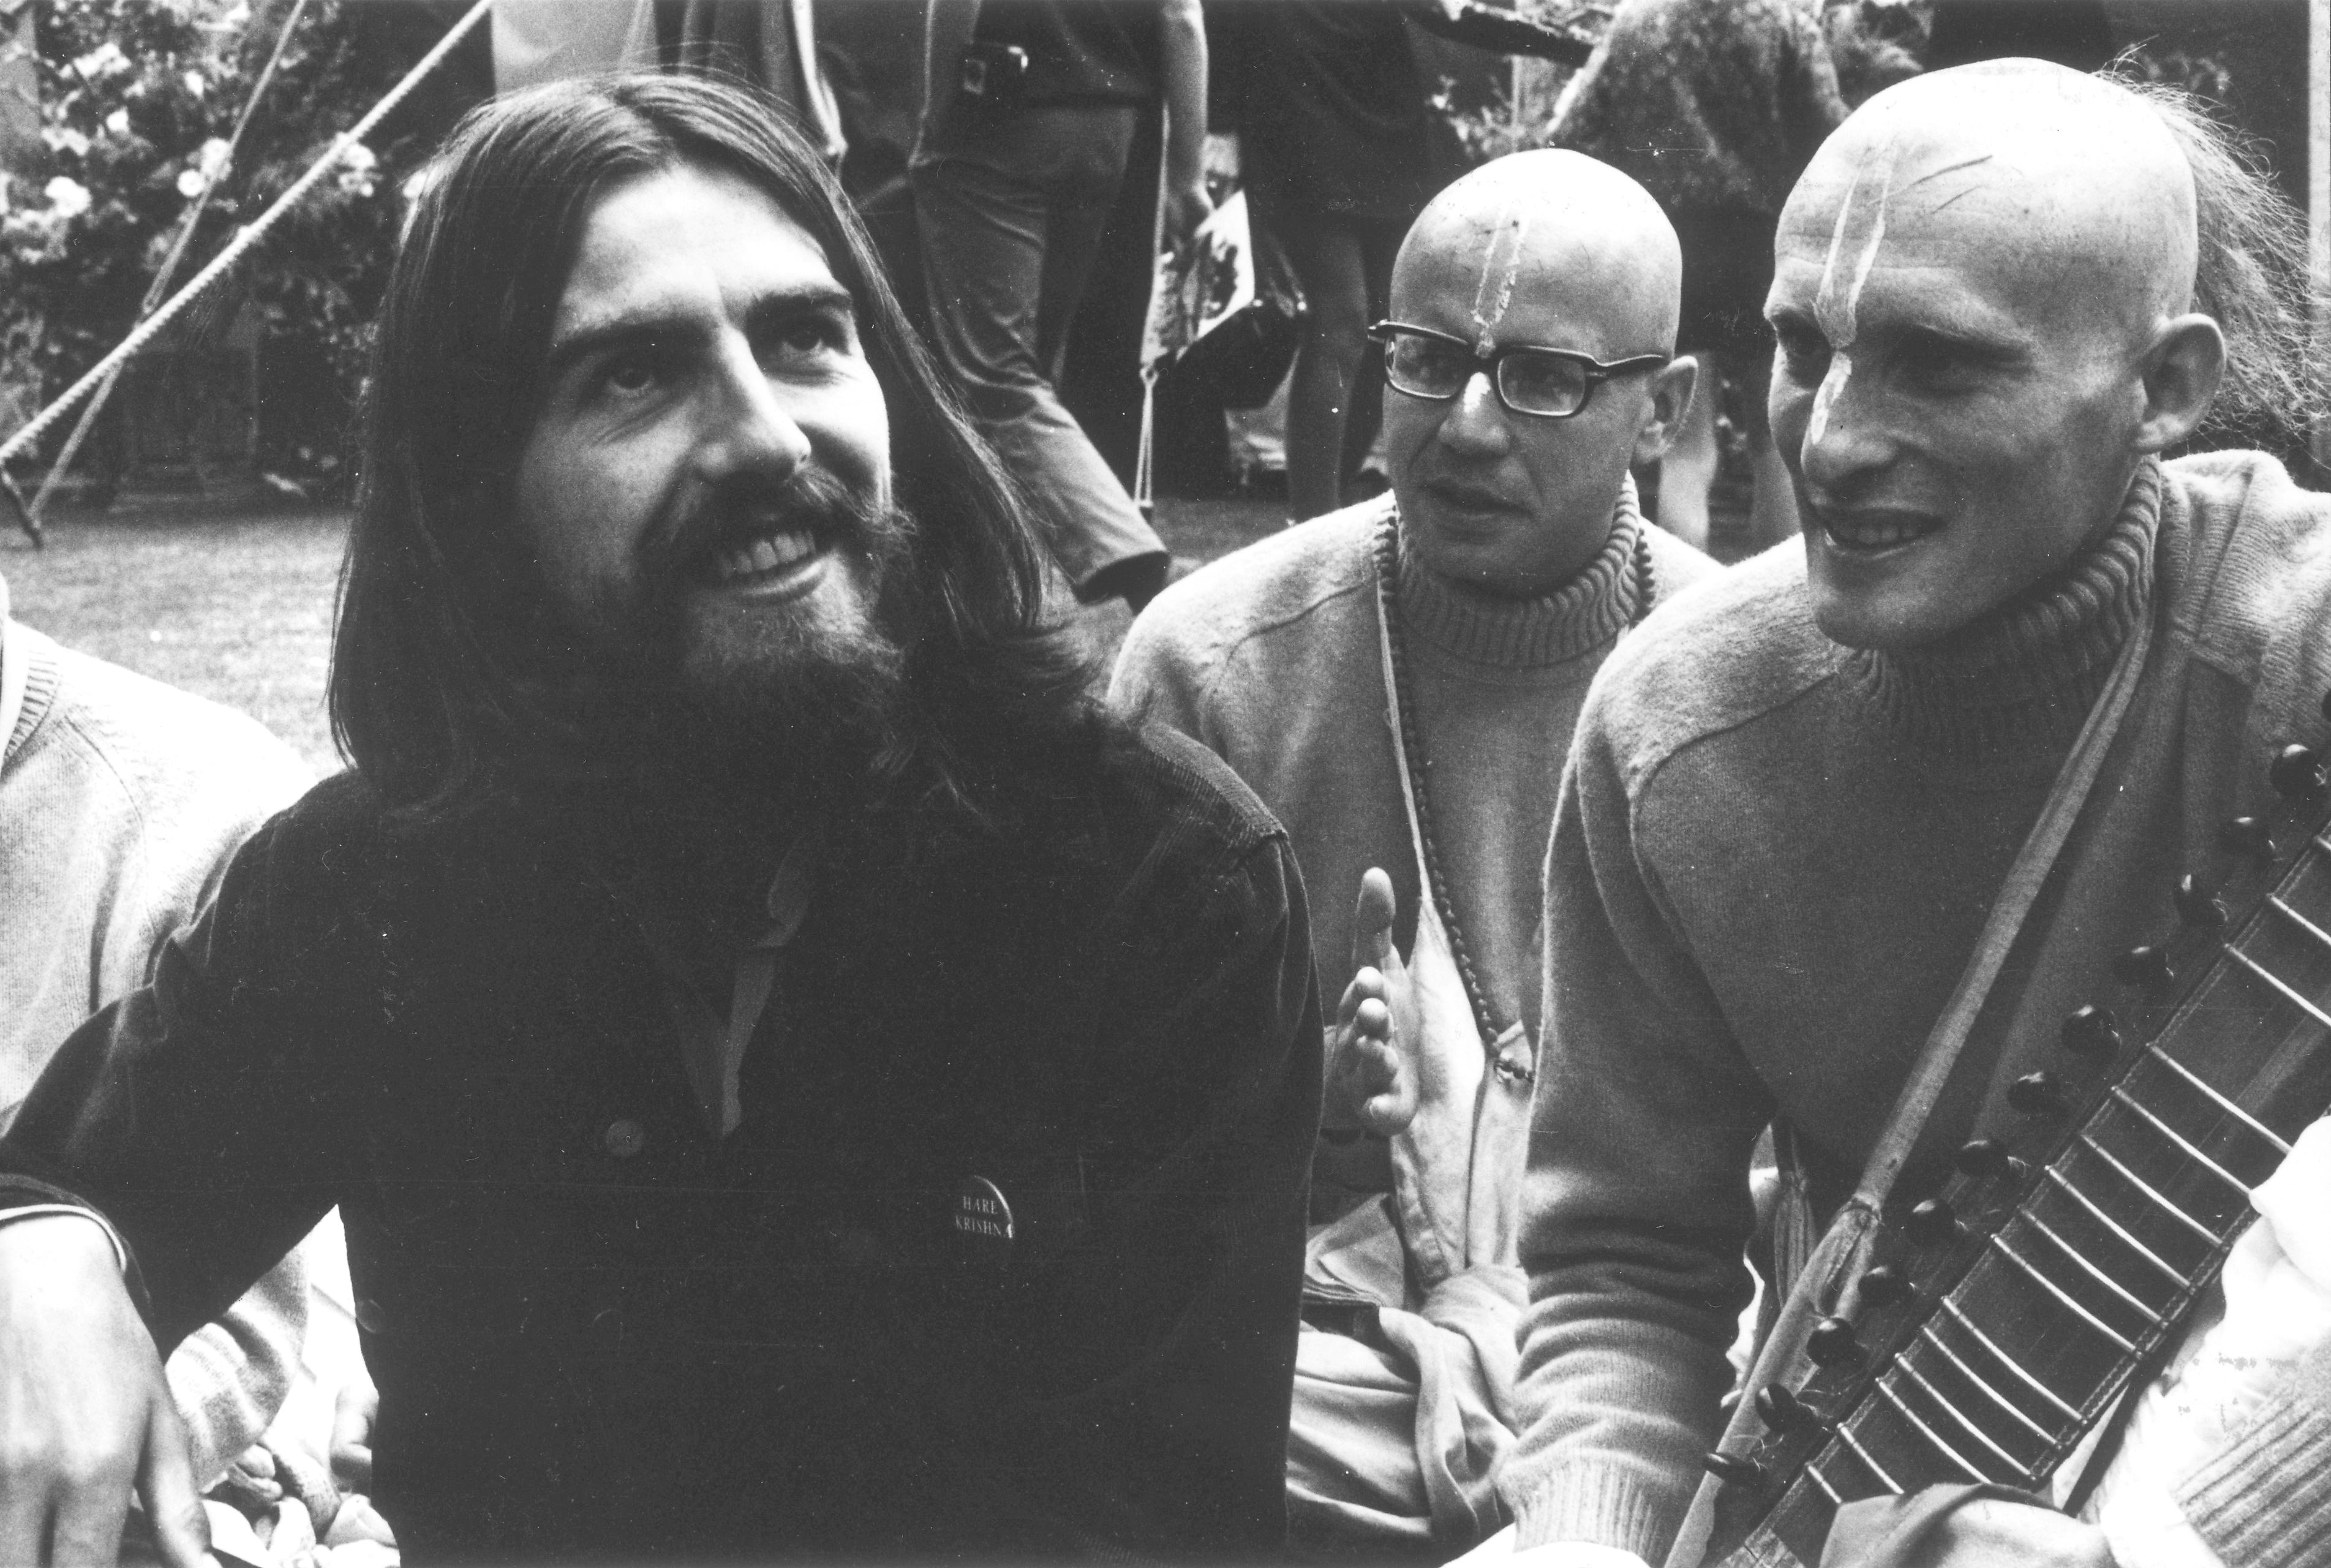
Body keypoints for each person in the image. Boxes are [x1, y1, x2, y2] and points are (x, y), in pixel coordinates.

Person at [0, 74, 1320, 1566]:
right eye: (634, 374)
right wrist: (46, 1247)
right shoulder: (378, 881)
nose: (765, 437)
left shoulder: (1157, 886)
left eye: (804, 337)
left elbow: (1158, 1529)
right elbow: (75, 1174)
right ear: (475, 487)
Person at [1501, 61, 2331, 1568]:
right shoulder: (1678, 723)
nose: (1825, 439)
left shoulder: (2298, 653)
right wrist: (1586, 1541)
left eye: (1935, 365)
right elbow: (1622, 1260)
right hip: (1870, 1494)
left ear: (2164, 387)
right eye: (1799, 347)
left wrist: (2168, 1541)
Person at [1113, 149, 1715, 1559]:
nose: (1464, 426)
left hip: (1651, 1355)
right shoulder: (1208, 665)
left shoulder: (1748, 684)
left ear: (1665, 406)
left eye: (1544, 377)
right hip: (1320, 1359)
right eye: (1426, 360)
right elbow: (1090, 1148)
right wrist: (1302, 1121)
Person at [1214, 1, 1594, 523]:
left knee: (1386, 326)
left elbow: (1447, 12)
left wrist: (1574, 47)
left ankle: (1331, 506)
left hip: (1376, 121)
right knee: (1343, 322)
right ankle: (1312, 520)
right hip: (1300, 116)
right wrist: (1220, 126)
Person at [911, 0, 1209, 611]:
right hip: (1108, 125)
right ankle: (988, 589)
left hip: (1000, 115)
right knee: (1028, 372)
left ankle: (1144, 568)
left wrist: (936, 113)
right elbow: (1182, 18)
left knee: (998, 376)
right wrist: (1187, 174)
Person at [1552, 0, 1847, 554]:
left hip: (1670, 245)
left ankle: (1682, 600)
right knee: (1775, 446)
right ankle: (1777, 600)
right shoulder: (1783, 22)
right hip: (1765, 247)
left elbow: (1569, 130)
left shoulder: (1638, 21)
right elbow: (1835, 133)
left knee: (1683, 448)